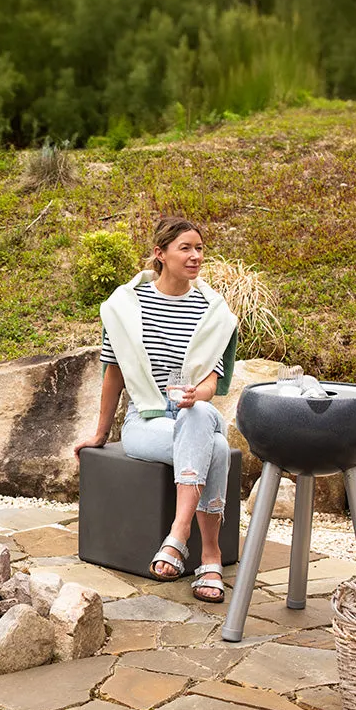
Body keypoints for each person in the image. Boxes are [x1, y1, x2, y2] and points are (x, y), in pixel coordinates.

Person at [73, 217, 239, 602]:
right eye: (186, 248)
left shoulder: (212, 309)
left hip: (192, 410)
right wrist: (101, 432)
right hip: (146, 419)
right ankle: (209, 557)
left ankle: (178, 536)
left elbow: (212, 380)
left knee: (197, 417)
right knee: (214, 448)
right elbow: (113, 372)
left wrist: (197, 395)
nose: (196, 256)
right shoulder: (126, 307)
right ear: (159, 254)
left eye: (199, 248)